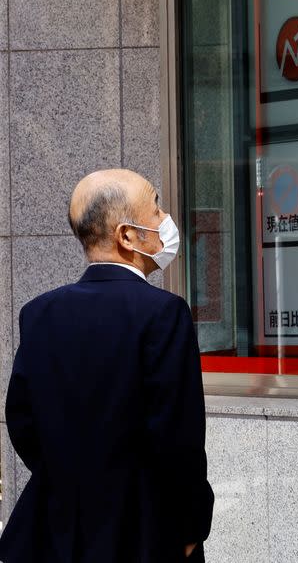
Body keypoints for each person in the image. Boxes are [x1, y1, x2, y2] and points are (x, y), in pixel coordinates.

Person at [0, 169, 214, 562]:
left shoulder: (40, 313)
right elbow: (178, 438)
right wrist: (189, 528)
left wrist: (70, 476)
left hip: (55, 528)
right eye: (155, 208)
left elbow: (21, 419)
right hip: (143, 532)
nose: (164, 219)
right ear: (127, 235)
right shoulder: (163, 313)